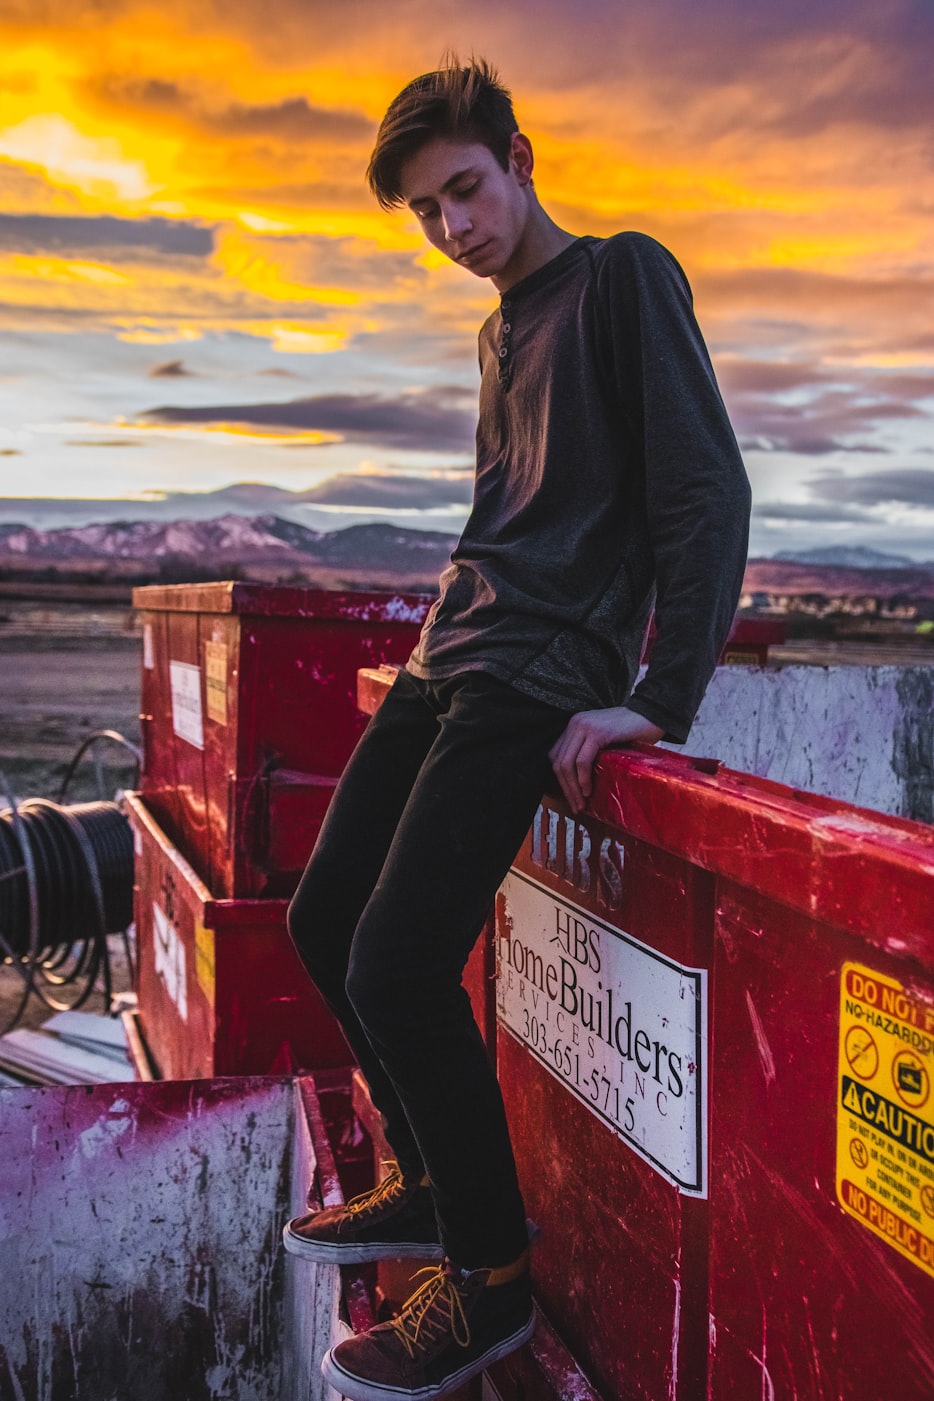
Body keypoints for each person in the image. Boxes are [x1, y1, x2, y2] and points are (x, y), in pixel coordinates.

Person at [283, 57, 751, 1401]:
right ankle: (434, 1182)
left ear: (521, 160)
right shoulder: (498, 333)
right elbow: (506, 513)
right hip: (454, 651)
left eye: (466, 190)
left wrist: (657, 698)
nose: (453, 227)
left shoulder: (621, 280)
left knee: (396, 963)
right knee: (323, 919)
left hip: (539, 669)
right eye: (428, 212)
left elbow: (704, 494)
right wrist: (437, 635)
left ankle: (487, 1276)